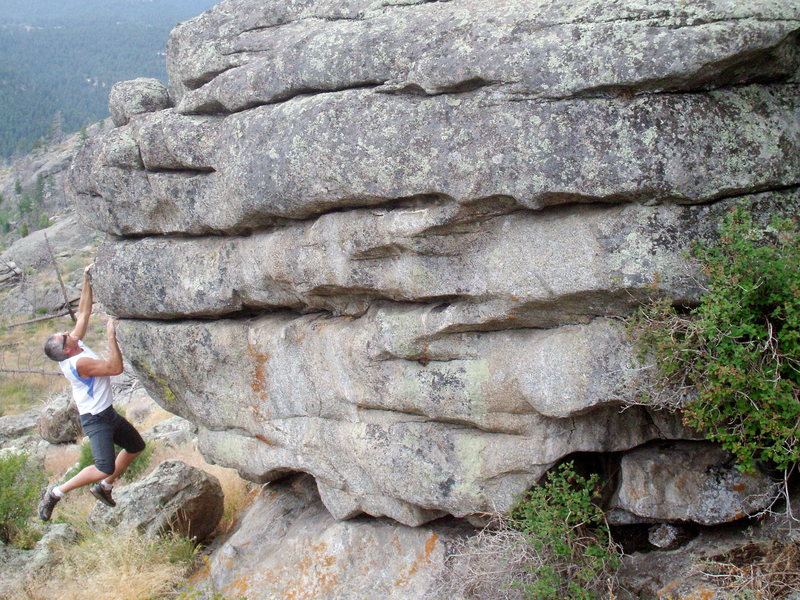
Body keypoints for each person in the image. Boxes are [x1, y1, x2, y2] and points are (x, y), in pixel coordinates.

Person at [38, 265, 145, 521]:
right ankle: (55, 493)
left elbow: (83, 311)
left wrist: (87, 279)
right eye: (65, 337)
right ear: (65, 350)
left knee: (135, 446)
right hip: (95, 419)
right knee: (103, 466)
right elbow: (115, 368)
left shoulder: (75, 345)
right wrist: (111, 337)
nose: (69, 333)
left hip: (107, 412)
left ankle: (104, 487)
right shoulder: (77, 363)